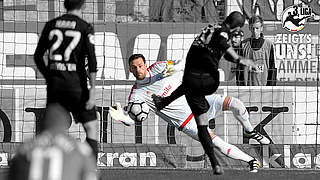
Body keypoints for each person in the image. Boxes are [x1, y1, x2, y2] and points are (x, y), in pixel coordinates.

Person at [109, 54, 268, 173]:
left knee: (236, 104)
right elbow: (132, 119)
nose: (138, 70)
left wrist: (176, 68)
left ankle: (250, 131)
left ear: (145, 65)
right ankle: (251, 161)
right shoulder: (137, 94)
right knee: (216, 143)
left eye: (140, 65)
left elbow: (185, 62)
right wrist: (122, 117)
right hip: (187, 121)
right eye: (134, 67)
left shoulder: (158, 67)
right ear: (130, 69)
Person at [151, 11, 260, 174]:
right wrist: (241, 60)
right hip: (208, 82)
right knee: (203, 121)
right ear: (236, 26)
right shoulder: (223, 33)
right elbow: (223, 42)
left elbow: (217, 46)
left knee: (201, 124)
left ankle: (215, 162)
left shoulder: (209, 28)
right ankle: (165, 101)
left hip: (190, 79)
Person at [33, 0, 98, 159]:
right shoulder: (85, 27)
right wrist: (93, 89)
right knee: (91, 127)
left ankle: (48, 169)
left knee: (52, 130)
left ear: (64, 5)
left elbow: (37, 56)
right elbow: (92, 61)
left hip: (55, 87)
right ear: (83, 5)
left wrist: (49, 76)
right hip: (77, 86)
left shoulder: (51, 25)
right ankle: (91, 170)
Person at [9, 103, 97, 180]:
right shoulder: (79, 149)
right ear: (66, 124)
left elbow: (13, 173)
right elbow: (91, 175)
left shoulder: (25, 148)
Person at [241, 15, 277, 86]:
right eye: (252, 28)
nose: (255, 31)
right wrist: (241, 86)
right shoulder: (243, 45)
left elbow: (272, 68)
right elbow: (240, 69)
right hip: (247, 88)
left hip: (264, 87)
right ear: (249, 28)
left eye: (257, 28)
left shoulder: (269, 45)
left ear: (261, 28)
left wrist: (271, 87)